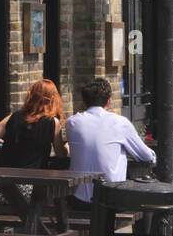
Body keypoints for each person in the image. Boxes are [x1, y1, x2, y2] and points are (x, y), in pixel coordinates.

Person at [0, 78, 69, 204]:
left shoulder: (12, 118)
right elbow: (61, 154)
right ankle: (35, 224)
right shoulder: (52, 123)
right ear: (53, 99)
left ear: (30, 97)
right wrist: (67, 146)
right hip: (30, 191)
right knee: (54, 197)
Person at [64, 77, 156, 208]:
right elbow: (146, 156)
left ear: (83, 102)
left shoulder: (72, 123)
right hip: (111, 199)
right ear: (109, 101)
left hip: (78, 198)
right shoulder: (120, 122)